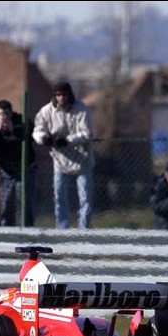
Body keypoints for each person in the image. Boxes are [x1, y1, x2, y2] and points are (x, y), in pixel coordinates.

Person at [33, 81, 95, 229]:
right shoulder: (46, 111)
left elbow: (87, 133)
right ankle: (62, 229)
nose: (61, 98)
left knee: (85, 198)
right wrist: (43, 138)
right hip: (60, 161)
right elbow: (37, 130)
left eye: (64, 94)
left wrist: (67, 141)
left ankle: (84, 231)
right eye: (58, 94)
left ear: (69, 95)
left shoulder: (82, 109)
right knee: (59, 197)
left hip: (82, 161)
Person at [0, 99, 36, 226]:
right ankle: (7, 232)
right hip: (6, 172)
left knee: (24, 204)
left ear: (11, 113)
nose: (4, 117)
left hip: (25, 169)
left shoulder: (21, 121)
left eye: (6, 114)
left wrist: (13, 129)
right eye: (1, 114)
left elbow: (33, 135)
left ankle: (27, 232)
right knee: (6, 204)